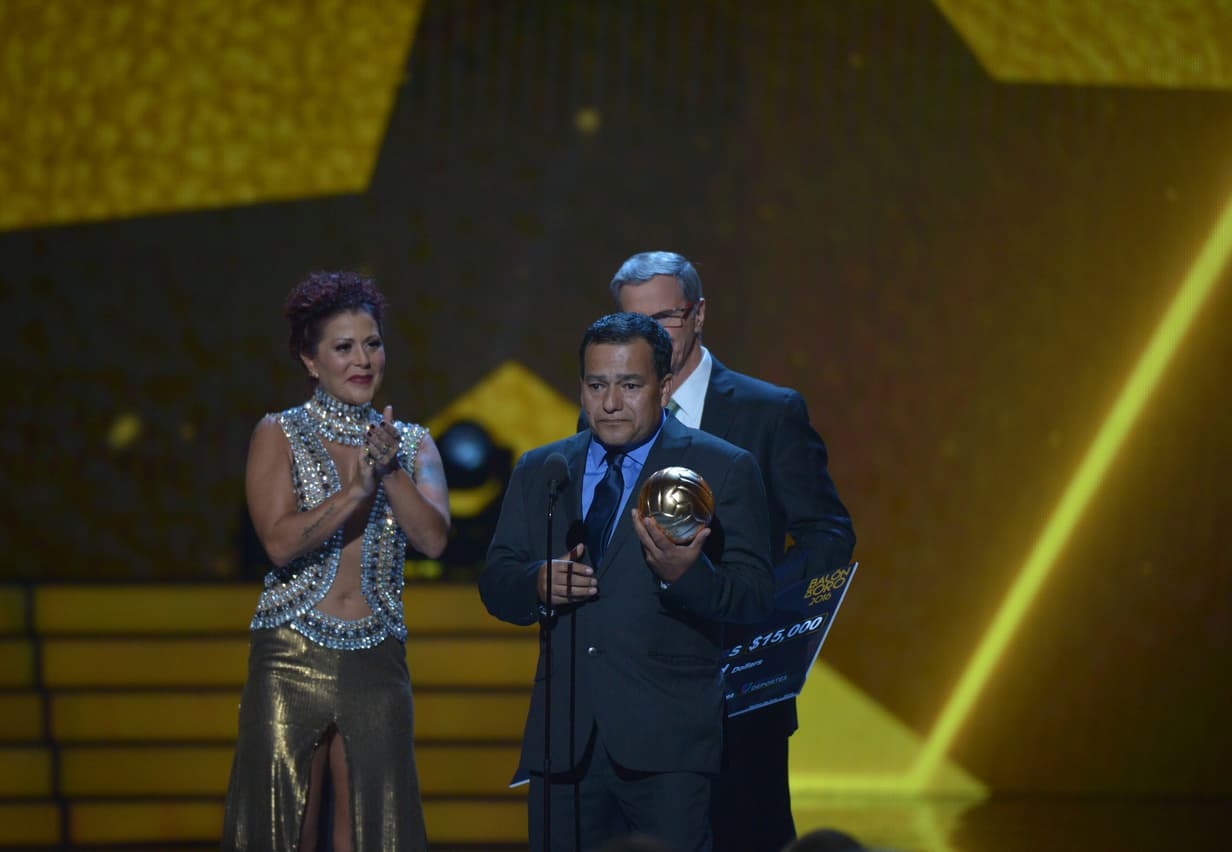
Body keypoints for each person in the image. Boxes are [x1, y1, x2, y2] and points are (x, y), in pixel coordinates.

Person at [479, 312, 775, 852]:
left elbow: (755, 595)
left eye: (630, 385)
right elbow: (496, 581)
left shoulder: (723, 467)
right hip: (563, 741)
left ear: (664, 388)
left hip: (667, 747)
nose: (610, 402)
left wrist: (689, 577)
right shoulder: (542, 469)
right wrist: (536, 582)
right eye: (597, 385)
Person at [607, 252, 856, 852]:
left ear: (697, 316)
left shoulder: (769, 412)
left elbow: (829, 535)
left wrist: (753, 604)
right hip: (640, 692)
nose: (645, 338)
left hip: (738, 690)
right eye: (629, 324)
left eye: (661, 319)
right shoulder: (607, 414)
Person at [222, 271, 450, 851]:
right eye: (343, 347)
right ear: (310, 359)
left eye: (372, 344)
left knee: (378, 829)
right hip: (291, 654)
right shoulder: (279, 433)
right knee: (281, 829)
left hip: (378, 655)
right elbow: (277, 542)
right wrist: (355, 489)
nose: (363, 360)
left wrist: (389, 469)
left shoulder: (415, 442)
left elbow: (434, 540)